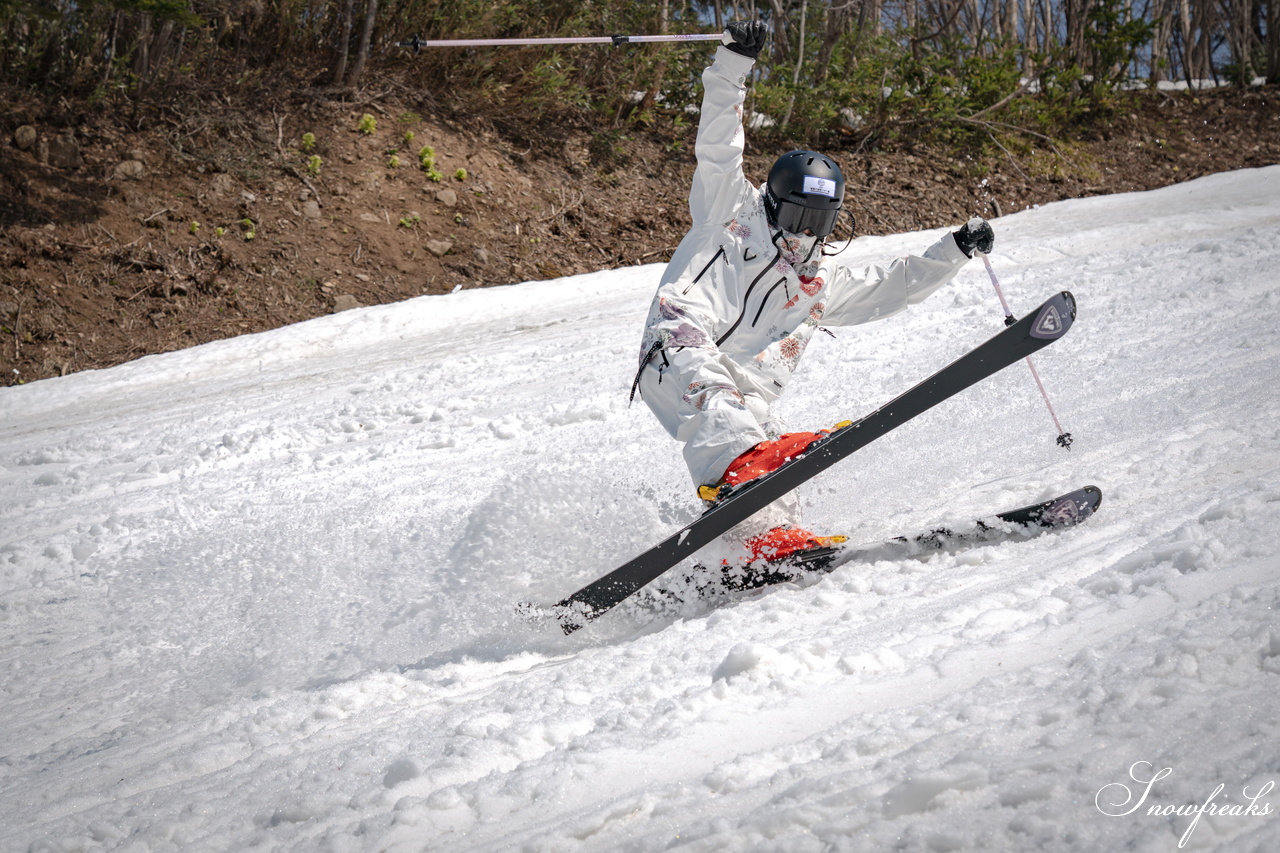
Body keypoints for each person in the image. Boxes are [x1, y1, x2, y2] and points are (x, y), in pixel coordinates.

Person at [631, 21, 995, 566]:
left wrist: (954, 251)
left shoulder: (816, 284)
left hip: (741, 392)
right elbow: (718, 144)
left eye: (819, 222)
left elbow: (890, 287)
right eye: (798, 215)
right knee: (722, 408)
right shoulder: (727, 208)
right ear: (773, 205)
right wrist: (732, 65)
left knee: (767, 455)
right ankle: (743, 470)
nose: (806, 233)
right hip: (676, 353)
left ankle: (762, 545)